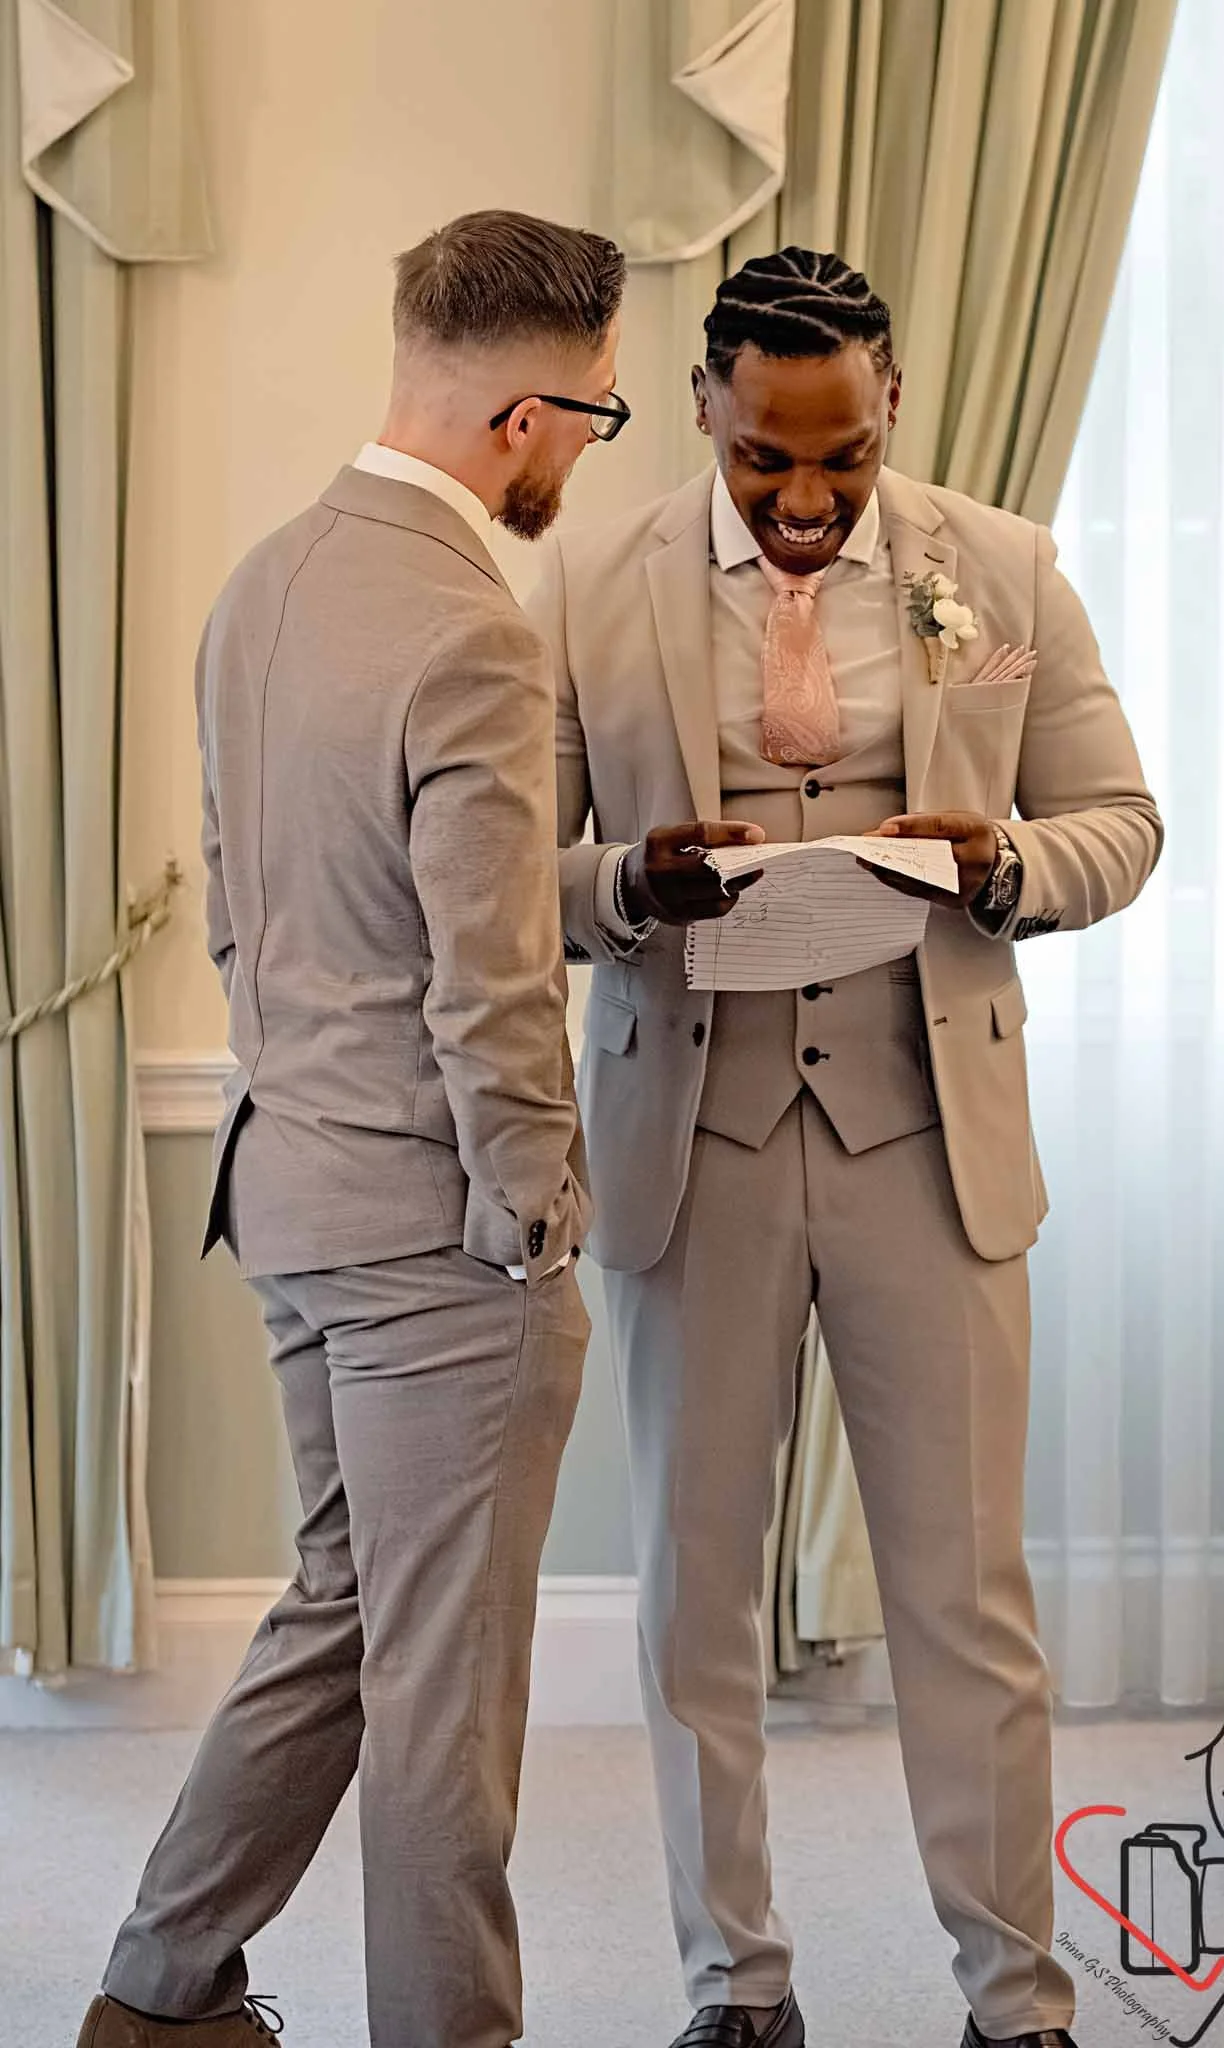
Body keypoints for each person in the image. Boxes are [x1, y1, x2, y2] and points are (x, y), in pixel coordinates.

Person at [529, 247, 1163, 2048]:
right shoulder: (589, 579)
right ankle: (736, 1987)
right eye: (763, 460)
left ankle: (1017, 2000)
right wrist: (626, 885)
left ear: (892, 406)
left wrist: (1004, 864)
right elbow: (513, 866)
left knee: (967, 1597)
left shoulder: (1003, 569)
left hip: (927, 1140)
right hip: (695, 1138)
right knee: (695, 1597)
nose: (805, 502)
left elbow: (1121, 822)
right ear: (704, 410)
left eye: (844, 459)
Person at [78, 209, 629, 2048]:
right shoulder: (473, 630)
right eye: (597, 416)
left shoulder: (263, 584)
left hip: (288, 1188)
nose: (585, 451)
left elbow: (243, 909)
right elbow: (491, 980)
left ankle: (159, 1993)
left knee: (339, 1604)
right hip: (434, 1244)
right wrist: (535, 1214)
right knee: (447, 1693)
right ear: (525, 418)